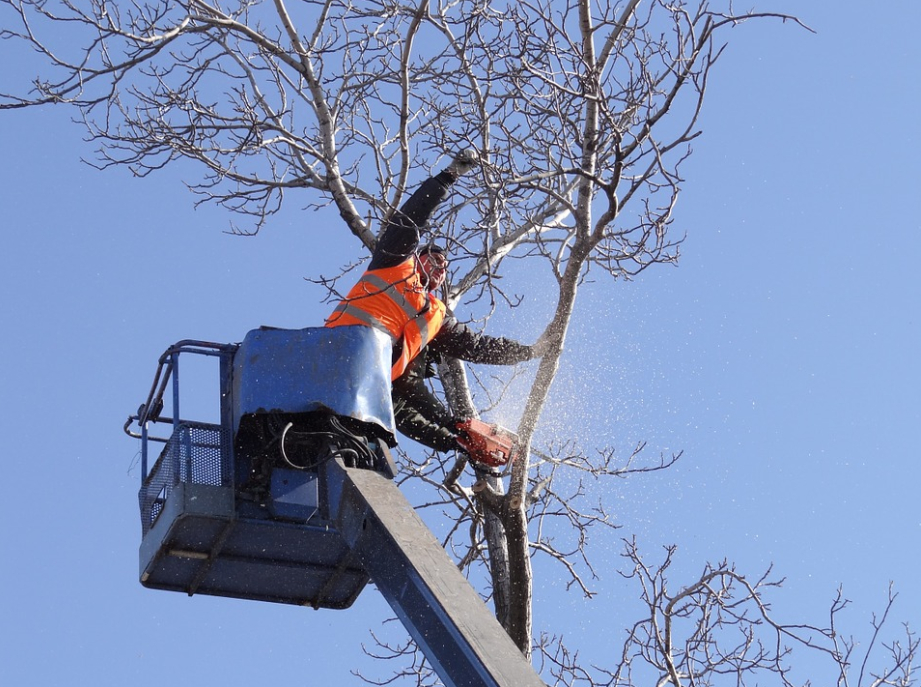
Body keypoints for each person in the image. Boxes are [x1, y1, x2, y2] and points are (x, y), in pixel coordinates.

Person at [325, 150, 547, 453]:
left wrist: (529, 352)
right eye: (435, 260)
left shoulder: (433, 317)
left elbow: (473, 348)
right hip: (336, 352)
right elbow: (412, 218)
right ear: (417, 257)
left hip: (363, 386)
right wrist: (448, 177)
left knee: (367, 445)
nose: (441, 269)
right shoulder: (394, 264)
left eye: (445, 267)